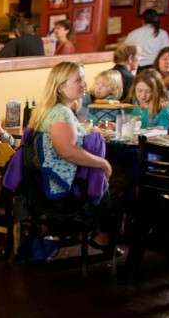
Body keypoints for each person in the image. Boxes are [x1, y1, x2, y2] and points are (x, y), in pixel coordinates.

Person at [29, 61, 122, 250]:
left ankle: (94, 232)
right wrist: (103, 164)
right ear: (61, 86)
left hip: (46, 186)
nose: (84, 84)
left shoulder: (50, 110)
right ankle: (105, 233)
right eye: (78, 80)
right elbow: (67, 151)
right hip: (66, 194)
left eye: (84, 79)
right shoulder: (61, 113)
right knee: (124, 178)